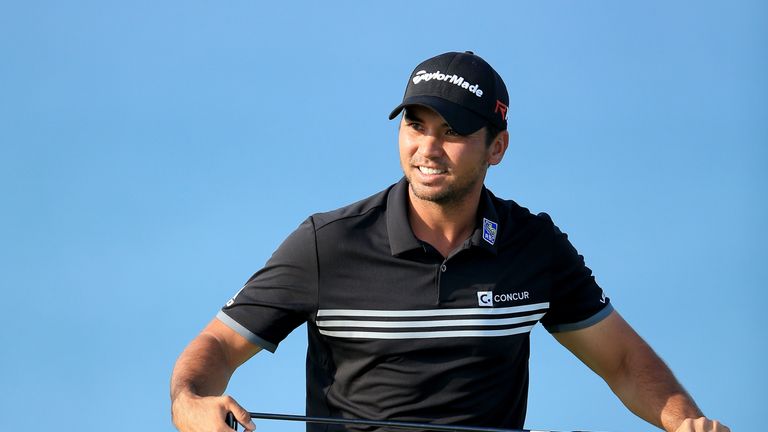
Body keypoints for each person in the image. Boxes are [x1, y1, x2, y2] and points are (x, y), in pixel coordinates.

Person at [170, 51, 729, 432]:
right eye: (415, 125)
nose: (427, 148)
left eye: (453, 132)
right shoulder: (328, 242)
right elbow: (216, 348)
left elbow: (626, 362)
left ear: (497, 147)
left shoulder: (534, 245)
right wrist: (191, 404)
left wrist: (684, 421)